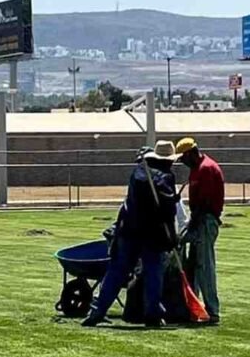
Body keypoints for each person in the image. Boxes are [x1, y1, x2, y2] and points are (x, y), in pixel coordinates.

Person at [83, 142, 180, 328]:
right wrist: (171, 231)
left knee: (116, 272)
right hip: (152, 234)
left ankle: (97, 311)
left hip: (129, 231)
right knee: (153, 273)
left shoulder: (138, 173)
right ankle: (153, 314)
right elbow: (166, 210)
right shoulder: (165, 177)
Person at [176, 137, 224, 324]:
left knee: (204, 267)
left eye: (183, 158)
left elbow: (204, 203)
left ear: (190, 153)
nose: (183, 163)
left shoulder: (206, 169)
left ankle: (212, 311)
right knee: (192, 268)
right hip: (198, 219)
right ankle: (194, 308)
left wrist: (191, 225)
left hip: (205, 221)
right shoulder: (196, 169)